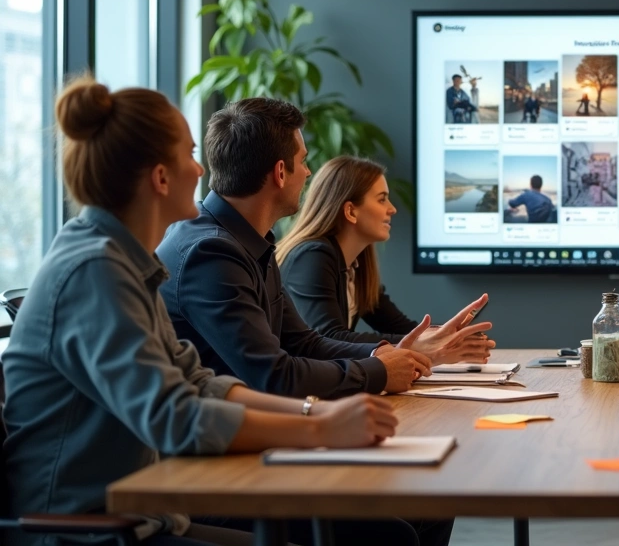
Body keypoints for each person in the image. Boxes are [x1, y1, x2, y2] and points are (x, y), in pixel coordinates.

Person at [2, 76, 401, 546]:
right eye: (191, 155)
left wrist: (316, 416)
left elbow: (197, 383)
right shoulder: (96, 270)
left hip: (144, 514)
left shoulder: (126, 260)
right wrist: (318, 428)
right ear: (160, 177)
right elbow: (175, 416)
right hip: (89, 530)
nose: (204, 171)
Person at [157, 97, 490, 404]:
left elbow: (304, 343)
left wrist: (386, 353)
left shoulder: (248, 240)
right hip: (212, 453)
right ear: (280, 172)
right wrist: (380, 370)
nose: (308, 172)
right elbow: (273, 375)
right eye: (303, 161)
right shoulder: (212, 252)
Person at [277, 155, 497, 357]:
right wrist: (421, 344)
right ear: (351, 211)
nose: (392, 209)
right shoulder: (311, 257)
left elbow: (397, 326)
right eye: (382, 199)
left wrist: (445, 334)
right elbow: (329, 337)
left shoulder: (357, 264)